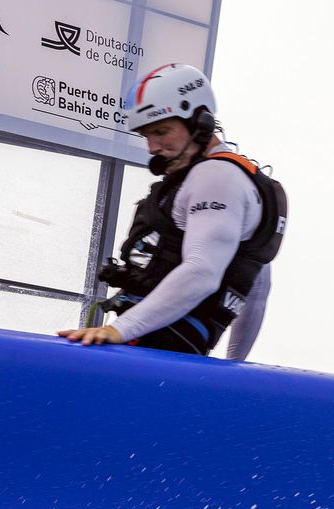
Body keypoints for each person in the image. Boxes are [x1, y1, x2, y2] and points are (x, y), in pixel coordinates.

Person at [59, 63, 286, 360]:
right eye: (146, 135)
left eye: (161, 131)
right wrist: (234, 366)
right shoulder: (232, 179)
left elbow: (202, 271)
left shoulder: (216, 177)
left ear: (200, 121)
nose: (152, 147)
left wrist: (120, 329)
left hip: (154, 348)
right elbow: (258, 288)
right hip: (170, 353)